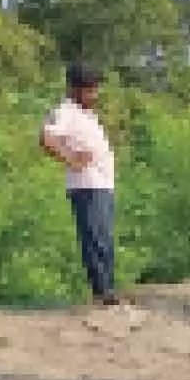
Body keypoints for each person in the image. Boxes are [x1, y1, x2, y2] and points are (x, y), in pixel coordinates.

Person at [39, 63, 119, 306]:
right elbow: (46, 137)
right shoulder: (66, 111)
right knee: (95, 238)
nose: (95, 95)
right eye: (90, 90)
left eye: (96, 89)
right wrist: (71, 158)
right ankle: (102, 292)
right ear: (74, 89)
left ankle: (108, 290)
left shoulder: (87, 113)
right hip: (87, 185)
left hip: (102, 184)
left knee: (104, 237)